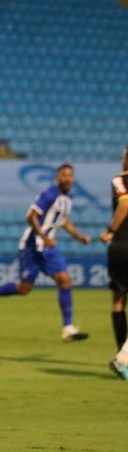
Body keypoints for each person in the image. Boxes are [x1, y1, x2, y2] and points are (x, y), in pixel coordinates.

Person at [0, 163, 92, 341]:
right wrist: (43, 237)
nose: (67, 178)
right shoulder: (50, 194)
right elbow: (31, 215)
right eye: (64, 175)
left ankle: (68, 328)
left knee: (65, 281)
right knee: (24, 288)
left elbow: (63, 220)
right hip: (32, 247)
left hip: (49, 249)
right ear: (57, 177)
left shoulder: (68, 199)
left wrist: (78, 236)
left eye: (70, 175)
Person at [100, 147, 128, 379]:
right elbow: (125, 204)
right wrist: (111, 230)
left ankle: (122, 356)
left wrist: (111, 233)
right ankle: (123, 359)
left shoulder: (119, 180)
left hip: (119, 249)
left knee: (118, 302)